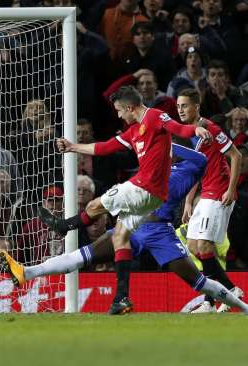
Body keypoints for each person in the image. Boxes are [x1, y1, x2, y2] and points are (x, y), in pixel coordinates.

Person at [1, 143, 248, 315]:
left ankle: (244, 308)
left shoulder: (194, 166)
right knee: (85, 255)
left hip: (160, 232)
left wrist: (169, 140)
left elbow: (199, 157)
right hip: (133, 225)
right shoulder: (162, 167)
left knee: (199, 281)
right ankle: (27, 272)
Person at [37, 86, 211, 312]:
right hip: (149, 200)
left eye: (120, 110)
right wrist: (72, 147)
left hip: (144, 189)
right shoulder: (133, 131)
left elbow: (175, 127)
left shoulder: (154, 116)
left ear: (130, 107)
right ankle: (121, 298)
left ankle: (64, 225)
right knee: (120, 237)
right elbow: (105, 147)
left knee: (94, 204)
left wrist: (193, 131)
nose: (119, 115)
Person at [177, 88, 244, 313]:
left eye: (185, 105)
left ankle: (226, 292)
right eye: (178, 106)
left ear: (196, 106)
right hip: (206, 193)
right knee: (194, 246)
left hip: (219, 193)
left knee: (204, 246)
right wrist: (188, 201)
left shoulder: (211, 129)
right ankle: (215, 297)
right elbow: (195, 168)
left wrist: (231, 189)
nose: (180, 110)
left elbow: (236, 156)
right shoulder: (190, 133)